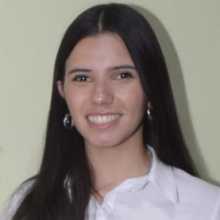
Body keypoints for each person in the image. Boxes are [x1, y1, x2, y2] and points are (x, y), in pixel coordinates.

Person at [1, 3, 220, 220]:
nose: (100, 96)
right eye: (82, 78)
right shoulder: (28, 204)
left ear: (151, 87)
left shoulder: (208, 207)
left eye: (122, 75)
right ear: (62, 91)